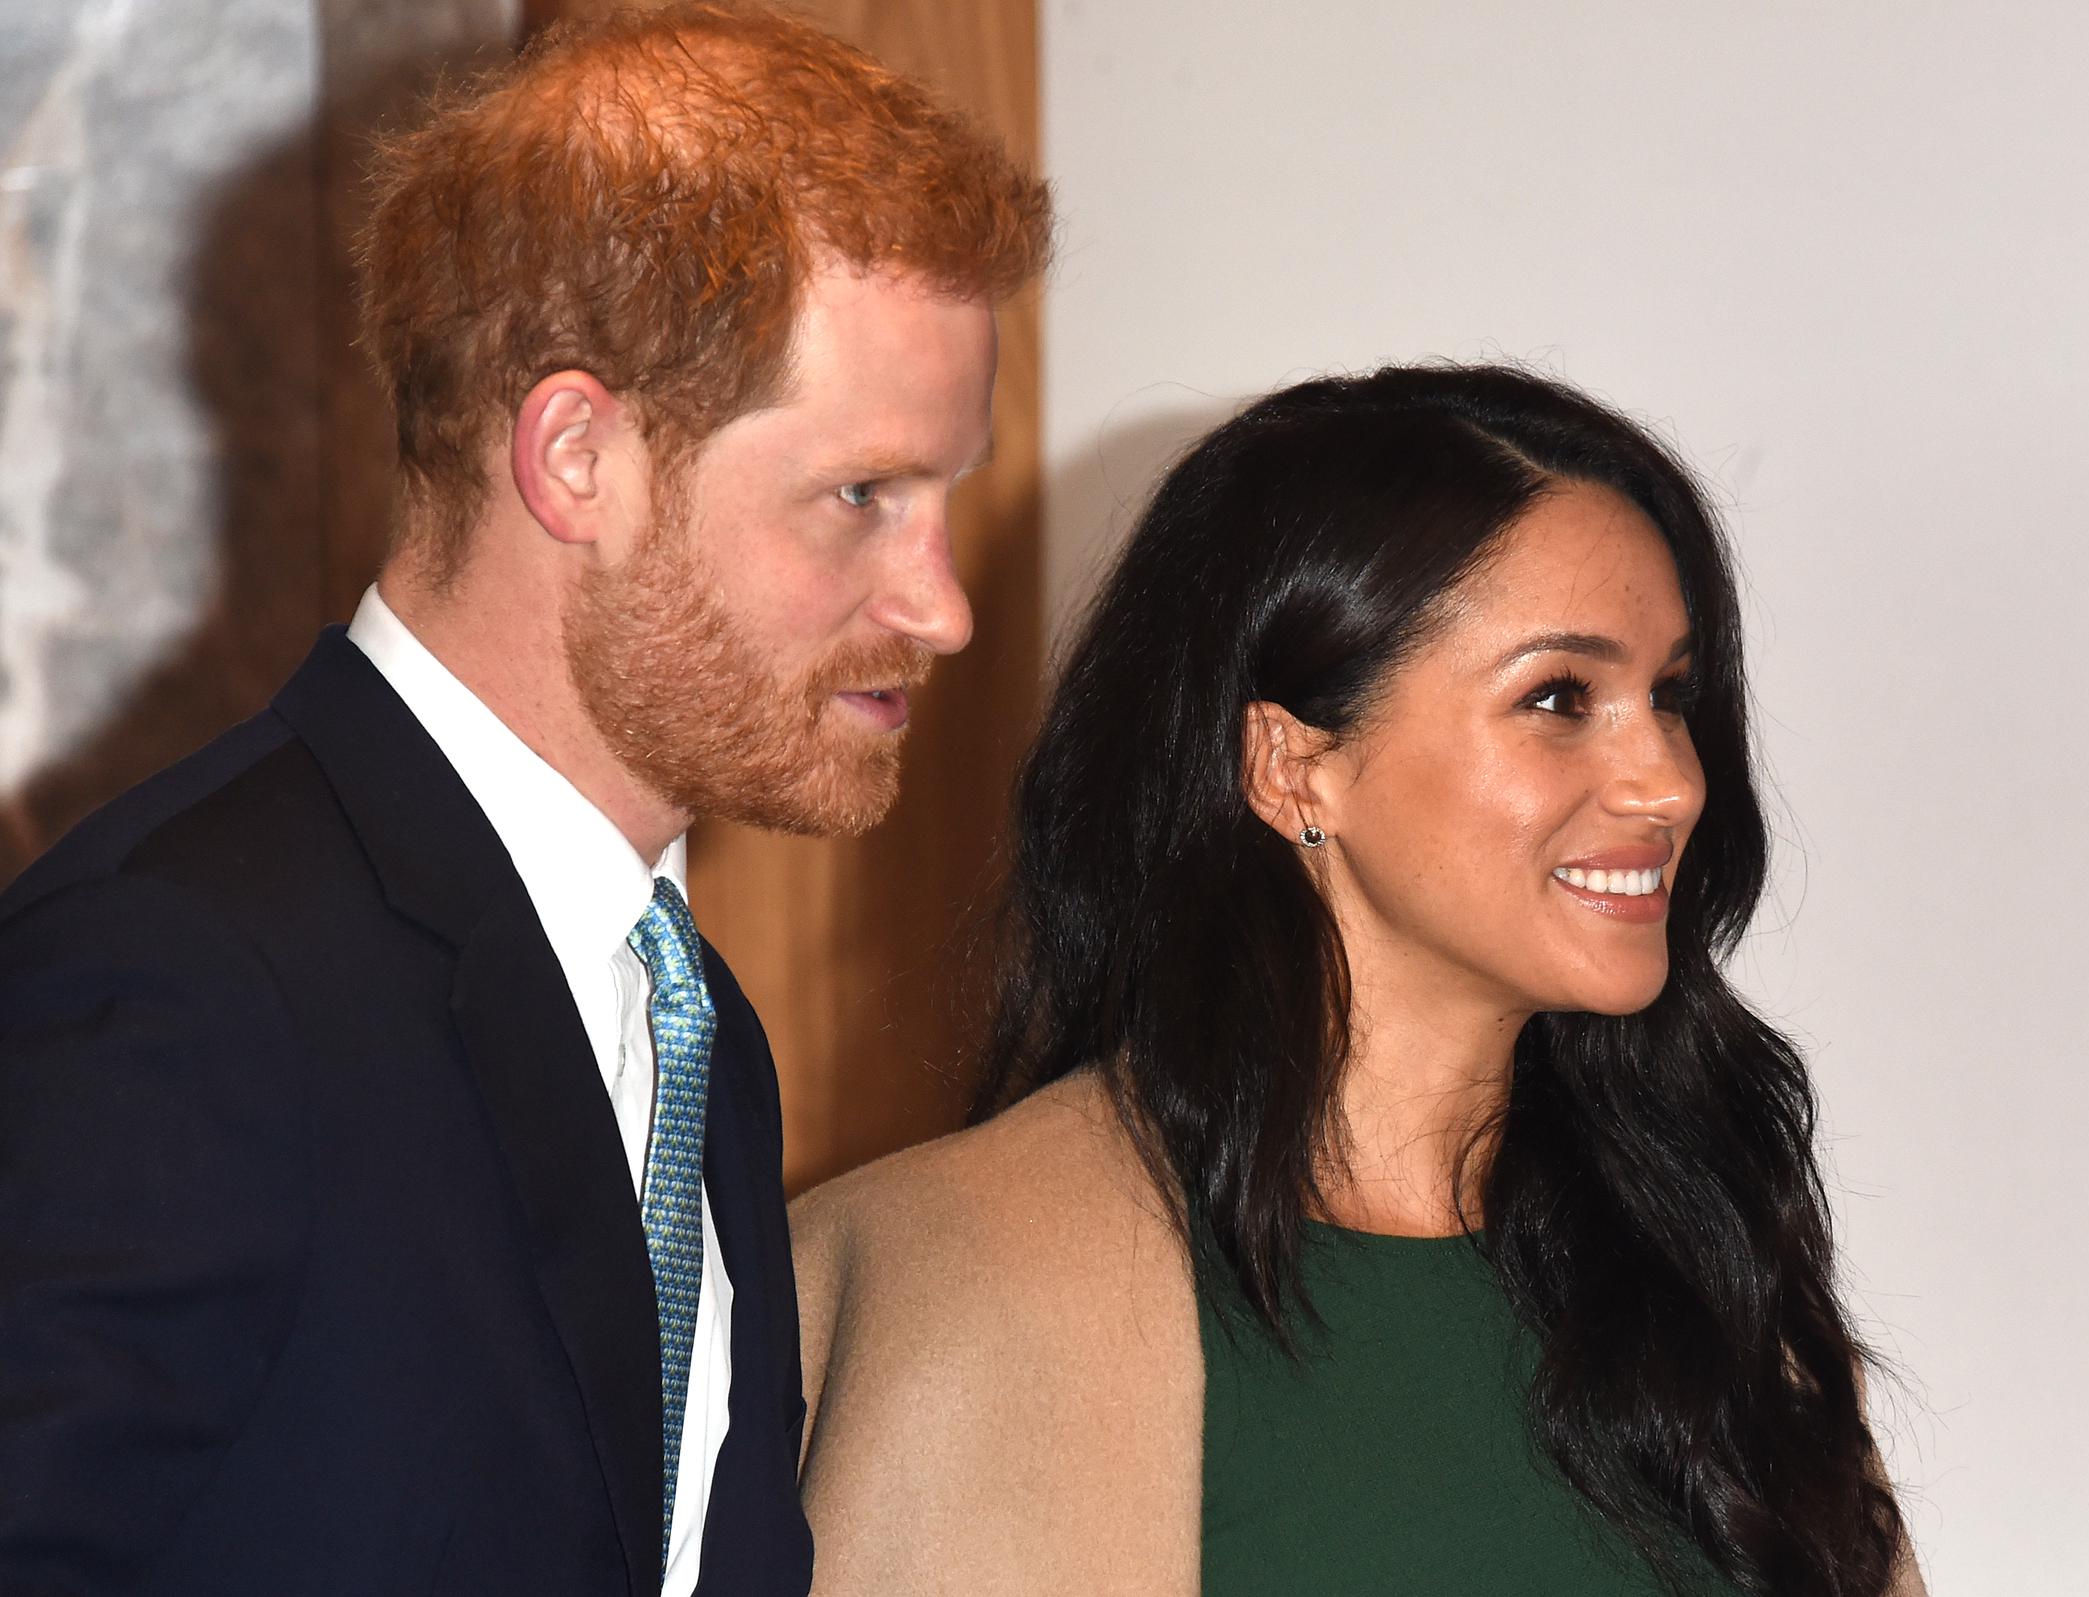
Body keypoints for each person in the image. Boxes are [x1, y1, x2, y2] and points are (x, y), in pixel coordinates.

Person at [0, 4, 1048, 1593]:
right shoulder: (185, 971)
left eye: (942, 498)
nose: (944, 603)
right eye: (862, 496)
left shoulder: (690, 1023)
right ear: (577, 460)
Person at [789, 364, 1928, 1595]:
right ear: (1292, 768)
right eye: (1559, 697)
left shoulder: (1704, 1268)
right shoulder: (980, 1269)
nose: (1670, 781)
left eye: (1669, 696)